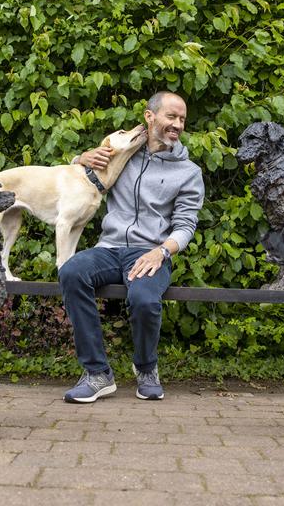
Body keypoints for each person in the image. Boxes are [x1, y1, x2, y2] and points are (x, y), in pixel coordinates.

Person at [58, 91, 205, 403]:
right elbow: (79, 177)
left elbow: (186, 225)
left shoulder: (189, 172)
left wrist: (162, 251)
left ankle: (146, 368)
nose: (177, 124)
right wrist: (80, 158)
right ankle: (97, 373)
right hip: (109, 248)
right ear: (149, 117)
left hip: (150, 253)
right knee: (71, 272)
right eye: (171, 117)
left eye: (181, 119)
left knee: (144, 300)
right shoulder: (121, 155)